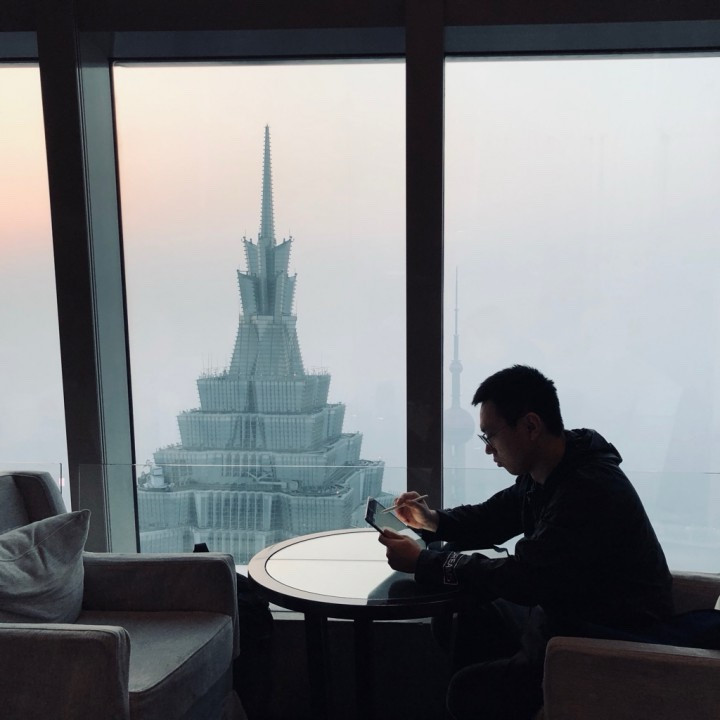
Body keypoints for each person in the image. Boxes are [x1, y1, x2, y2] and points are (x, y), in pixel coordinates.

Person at [379, 365, 673, 720]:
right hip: (567, 611)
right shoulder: (554, 469)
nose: (488, 449)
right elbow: (493, 517)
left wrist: (423, 562)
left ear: (531, 426)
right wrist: (431, 521)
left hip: (604, 638)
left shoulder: (588, 491)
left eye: (490, 435)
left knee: (466, 692)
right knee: (463, 617)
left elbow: (523, 577)